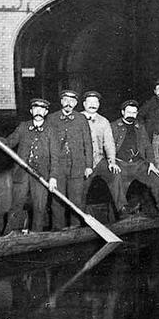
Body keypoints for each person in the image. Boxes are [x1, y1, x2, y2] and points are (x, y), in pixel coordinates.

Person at [1, 98, 63, 235]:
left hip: (42, 176)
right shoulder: (23, 127)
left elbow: (55, 157)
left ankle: (37, 235)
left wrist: (53, 177)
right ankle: (8, 235)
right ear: (31, 111)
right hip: (21, 174)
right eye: (36, 108)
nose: (39, 111)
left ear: (46, 112)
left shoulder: (51, 130)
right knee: (16, 204)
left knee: (39, 207)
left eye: (42, 109)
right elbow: (8, 143)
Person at [111, 100, 159, 215]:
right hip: (121, 164)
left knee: (156, 178)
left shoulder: (139, 126)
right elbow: (108, 146)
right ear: (122, 112)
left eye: (134, 112)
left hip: (138, 164)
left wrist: (151, 163)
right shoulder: (114, 126)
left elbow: (147, 146)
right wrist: (112, 162)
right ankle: (120, 212)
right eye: (128, 112)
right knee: (117, 185)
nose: (131, 115)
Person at [52, 89, 94, 228]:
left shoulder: (81, 119)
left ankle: (75, 229)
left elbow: (88, 143)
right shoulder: (52, 119)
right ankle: (58, 230)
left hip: (77, 165)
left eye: (72, 101)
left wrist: (89, 166)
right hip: (58, 166)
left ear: (76, 103)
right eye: (66, 100)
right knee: (57, 199)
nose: (68, 103)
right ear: (61, 101)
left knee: (76, 199)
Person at [80, 91, 122, 216]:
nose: (93, 105)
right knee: (79, 188)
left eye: (95, 102)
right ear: (84, 104)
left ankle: (121, 208)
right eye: (90, 102)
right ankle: (79, 215)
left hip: (98, 160)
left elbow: (109, 143)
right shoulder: (77, 119)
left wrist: (112, 161)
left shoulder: (104, 121)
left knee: (115, 175)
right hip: (82, 162)